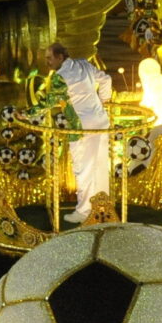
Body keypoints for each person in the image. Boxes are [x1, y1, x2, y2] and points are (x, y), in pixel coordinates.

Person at [46, 43, 112, 222]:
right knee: (99, 165)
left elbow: (47, 102)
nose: (47, 62)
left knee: (83, 168)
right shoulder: (84, 64)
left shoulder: (60, 77)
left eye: (49, 58)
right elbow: (106, 79)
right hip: (100, 120)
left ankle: (84, 212)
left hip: (81, 126)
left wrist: (26, 114)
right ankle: (103, 206)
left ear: (60, 57)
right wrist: (104, 100)